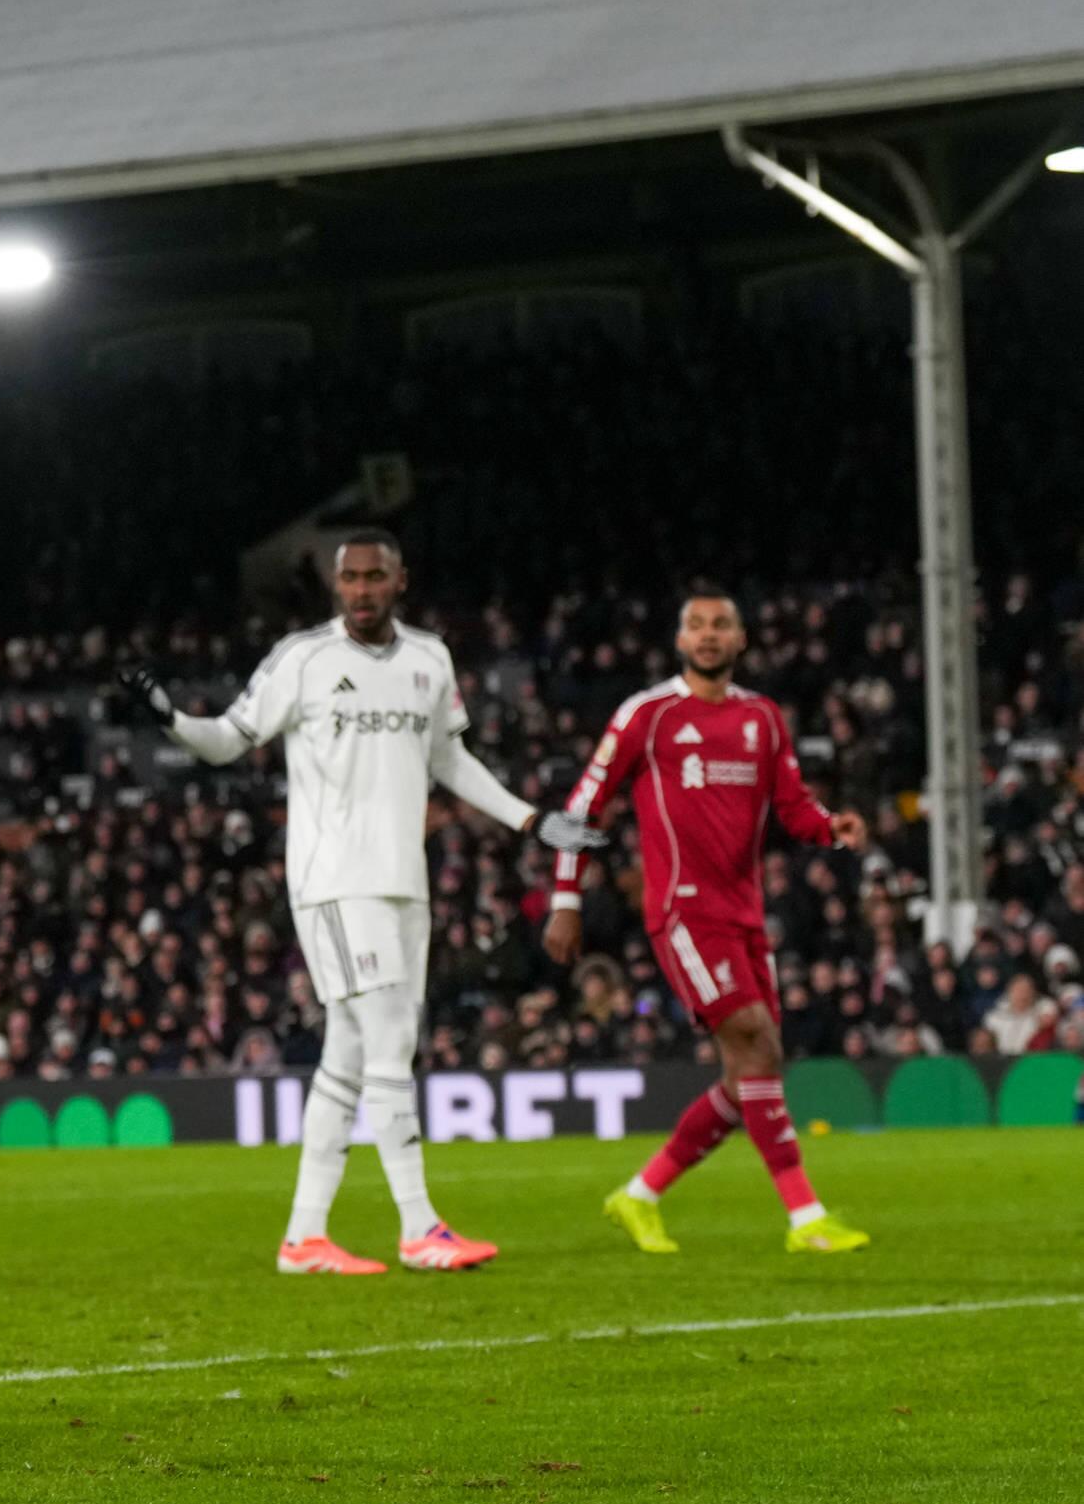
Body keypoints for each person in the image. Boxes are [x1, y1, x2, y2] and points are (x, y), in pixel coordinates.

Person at [122, 531, 604, 1275]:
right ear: (336, 584)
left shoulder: (429, 659)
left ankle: (303, 1238)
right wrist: (169, 718)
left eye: (375, 577)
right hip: (335, 881)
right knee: (390, 1038)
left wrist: (531, 820)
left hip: (404, 882)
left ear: (399, 581)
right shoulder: (302, 658)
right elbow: (226, 741)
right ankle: (419, 1226)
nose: (362, 590)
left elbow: (451, 761)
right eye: (350, 578)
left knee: (347, 1058)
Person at [544, 585, 872, 1256]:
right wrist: (566, 900)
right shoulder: (649, 714)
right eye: (696, 624)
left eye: (721, 623)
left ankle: (640, 1195)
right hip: (683, 911)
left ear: (741, 639)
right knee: (755, 1040)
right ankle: (805, 1217)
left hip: (745, 914)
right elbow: (583, 804)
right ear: (680, 640)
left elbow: (792, 804)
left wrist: (829, 827)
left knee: (749, 1071)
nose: (709, 634)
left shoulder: (763, 718)